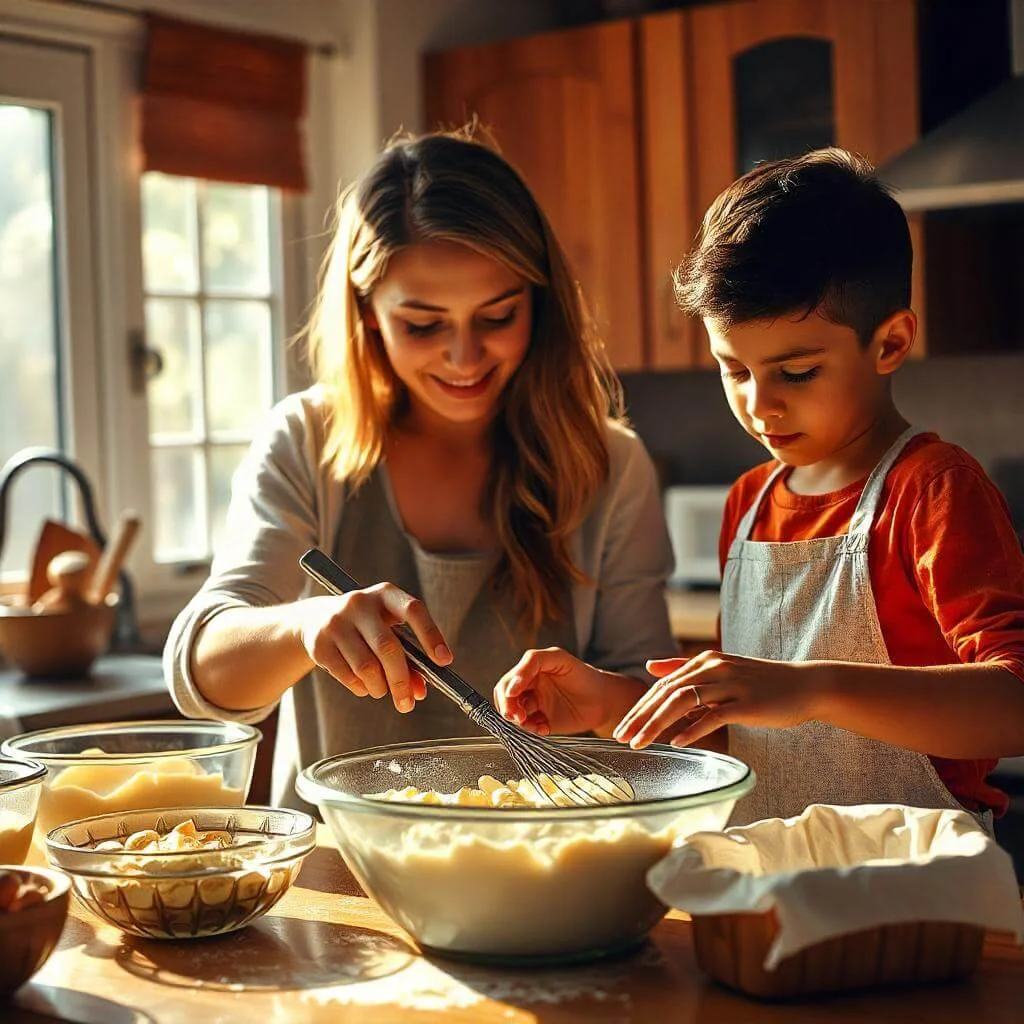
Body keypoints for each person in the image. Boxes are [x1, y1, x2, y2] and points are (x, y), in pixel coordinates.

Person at [495, 148, 1024, 827]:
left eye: (796, 373)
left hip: (914, 894)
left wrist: (812, 687)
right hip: (770, 880)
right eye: (732, 369)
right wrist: (606, 703)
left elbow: (1014, 707)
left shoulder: (931, 491)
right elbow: (750, 734)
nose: (759, 403)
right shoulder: (749, 503)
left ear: (890, 344)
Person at [164, 128, 677, 809]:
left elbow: (663, 720)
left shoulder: (609, 464)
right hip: (340, 882)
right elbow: (202, 678)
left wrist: (609, 699)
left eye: (497, 316)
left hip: (554, 865)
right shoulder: (307, 441)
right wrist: (306, 627)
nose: (465, 358)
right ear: (368, 314)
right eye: (423, 325)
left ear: (540, 302)